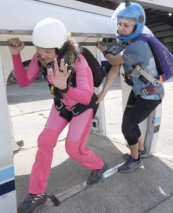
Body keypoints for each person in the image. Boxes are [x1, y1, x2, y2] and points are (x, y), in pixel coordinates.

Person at [8, 18, 107, 213]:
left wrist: (65, 87)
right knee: (44, 141)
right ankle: (36, 193)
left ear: (60, 49)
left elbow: (87, 95)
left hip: (83, 107)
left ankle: (99, 164)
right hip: (61, 105)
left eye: (47, 51)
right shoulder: (40, 58)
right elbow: (24, 81)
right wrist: (15, 56)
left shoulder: (79, 61)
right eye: (39, 50)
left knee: (73, 149)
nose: (42, 55)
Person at [96, 0, 164, 173]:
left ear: (137, 25)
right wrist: (103, 92)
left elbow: (112, 59)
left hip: (151, 95)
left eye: (126, 25)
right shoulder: (126, 42)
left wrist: (103, 49)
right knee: (129, 124)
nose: (121, 28)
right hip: (139, 91)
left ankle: (135, 159)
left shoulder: (137, 47)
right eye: (119, 24)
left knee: (127, 126)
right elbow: (114, 68)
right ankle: (139, 150)